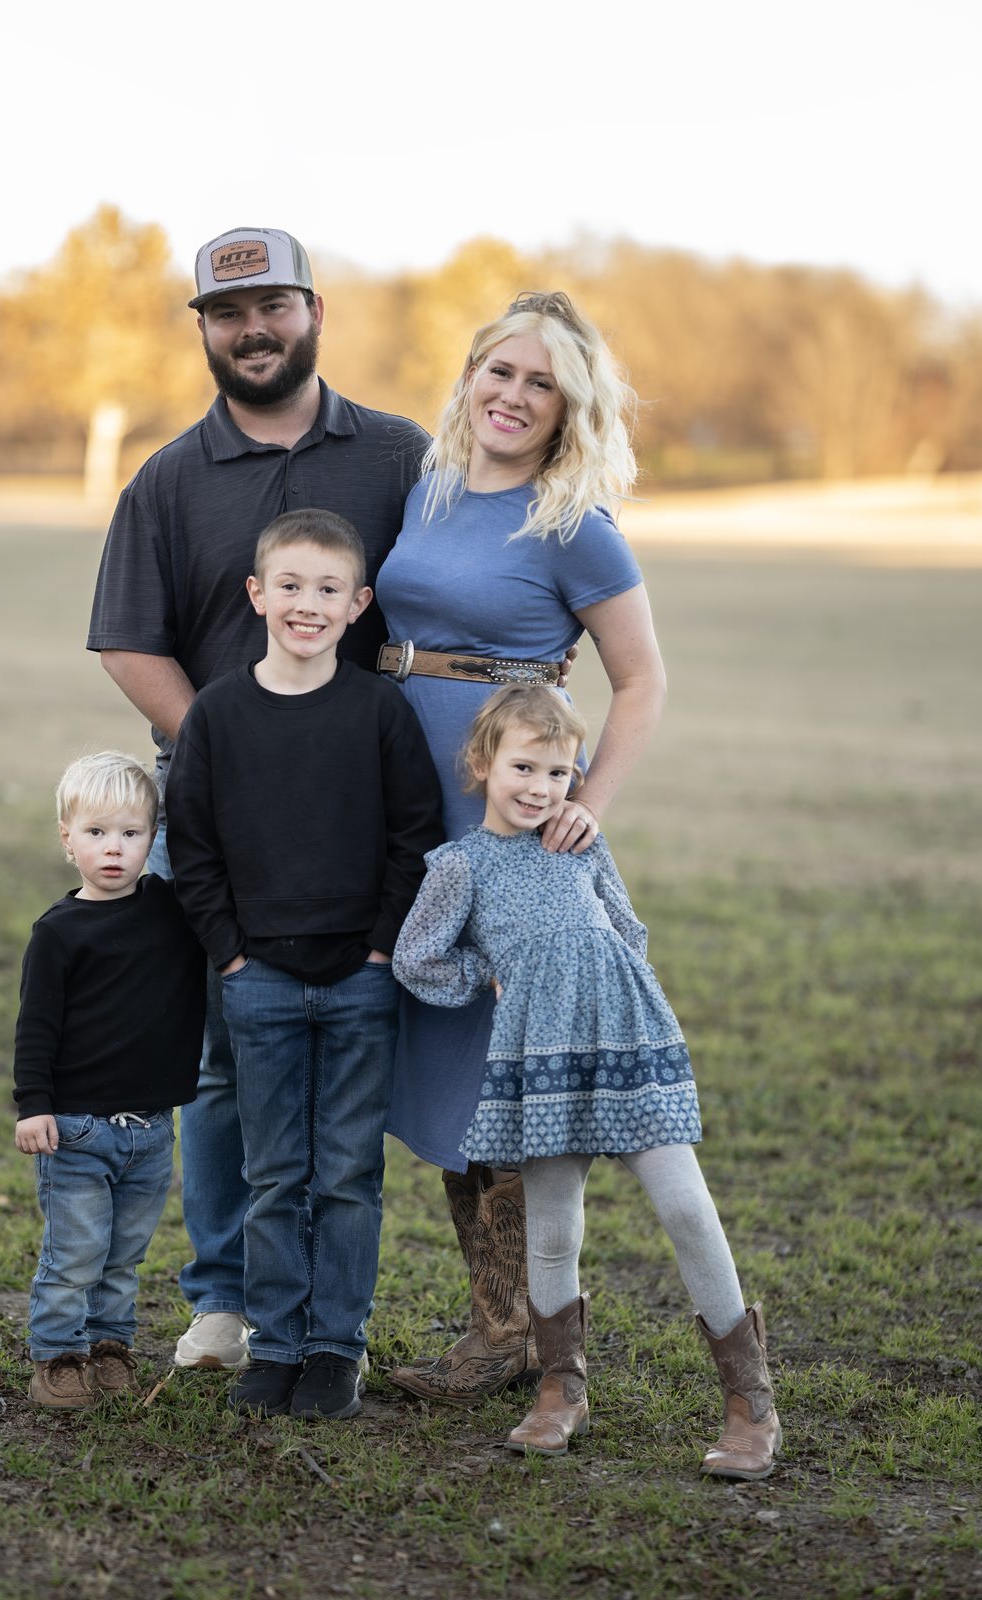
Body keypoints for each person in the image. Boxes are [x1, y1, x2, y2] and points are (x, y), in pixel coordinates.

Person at [87, 227, 427, 1372]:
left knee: (355, 1066)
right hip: (217, 824)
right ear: (204, 329)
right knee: (228, 1063)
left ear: (312, 311)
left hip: (360, 822)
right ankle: (227, 1299)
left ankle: (335, 1319)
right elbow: (131, 644)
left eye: (270, 307)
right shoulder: (169, 479)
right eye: (226, 315)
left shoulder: (394, 457)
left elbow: (455, 595)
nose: (251, 331)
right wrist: (232, 752)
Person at [373, 290, 666, 1404]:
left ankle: (532, 1333)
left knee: (506, 1059)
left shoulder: (571, 520)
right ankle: (498, 1323)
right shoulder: (430, 488)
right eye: (498, 371)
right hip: (410, 800)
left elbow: (640, 679)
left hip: (507, 819)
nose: (510, 395)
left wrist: (586, 802)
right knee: (443, 1041)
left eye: (537, 382)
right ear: (470, 376)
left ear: (567, 406)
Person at [393, 686, 780, 1475]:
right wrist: (488, 972)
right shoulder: (460, 865)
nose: (540, 786)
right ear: (482, 765)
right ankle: (561, 1387)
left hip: (627, 1041)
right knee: (555, 1222)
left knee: (685, 1206)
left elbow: (628, 927)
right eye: (523, 767)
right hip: (541, 1060)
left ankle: (750, 1400)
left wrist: (608, 981)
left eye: (560, 771)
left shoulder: (581, 841)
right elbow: (416, 956)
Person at [166, 509, 442, 1419]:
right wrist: (231, 957)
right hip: (260, 982)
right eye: (290, 585)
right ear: (257, 594)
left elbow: (414, 838)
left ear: (359, 604)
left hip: (361, 977)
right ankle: (275, 1344)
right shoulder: (217, 713)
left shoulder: (379, 711)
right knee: (277, 1173)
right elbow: (195, 848)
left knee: (347, 1173)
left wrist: (380, 944)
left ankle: (334, 1349)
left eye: (329, 590)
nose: (308, 604)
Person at [13, 752, 206, 1410]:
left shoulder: (173, 913)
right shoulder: (59, 933)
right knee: (76, 1251)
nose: (115, 849)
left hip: (150, 1129)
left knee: (124, 1253)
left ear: (154, 837)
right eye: (96, 833)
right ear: (67, 838)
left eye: (131, 833)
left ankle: (108, 1345)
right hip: (77, 1129)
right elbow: (35, 1028)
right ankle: (58, 1356)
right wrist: (33, 1107)